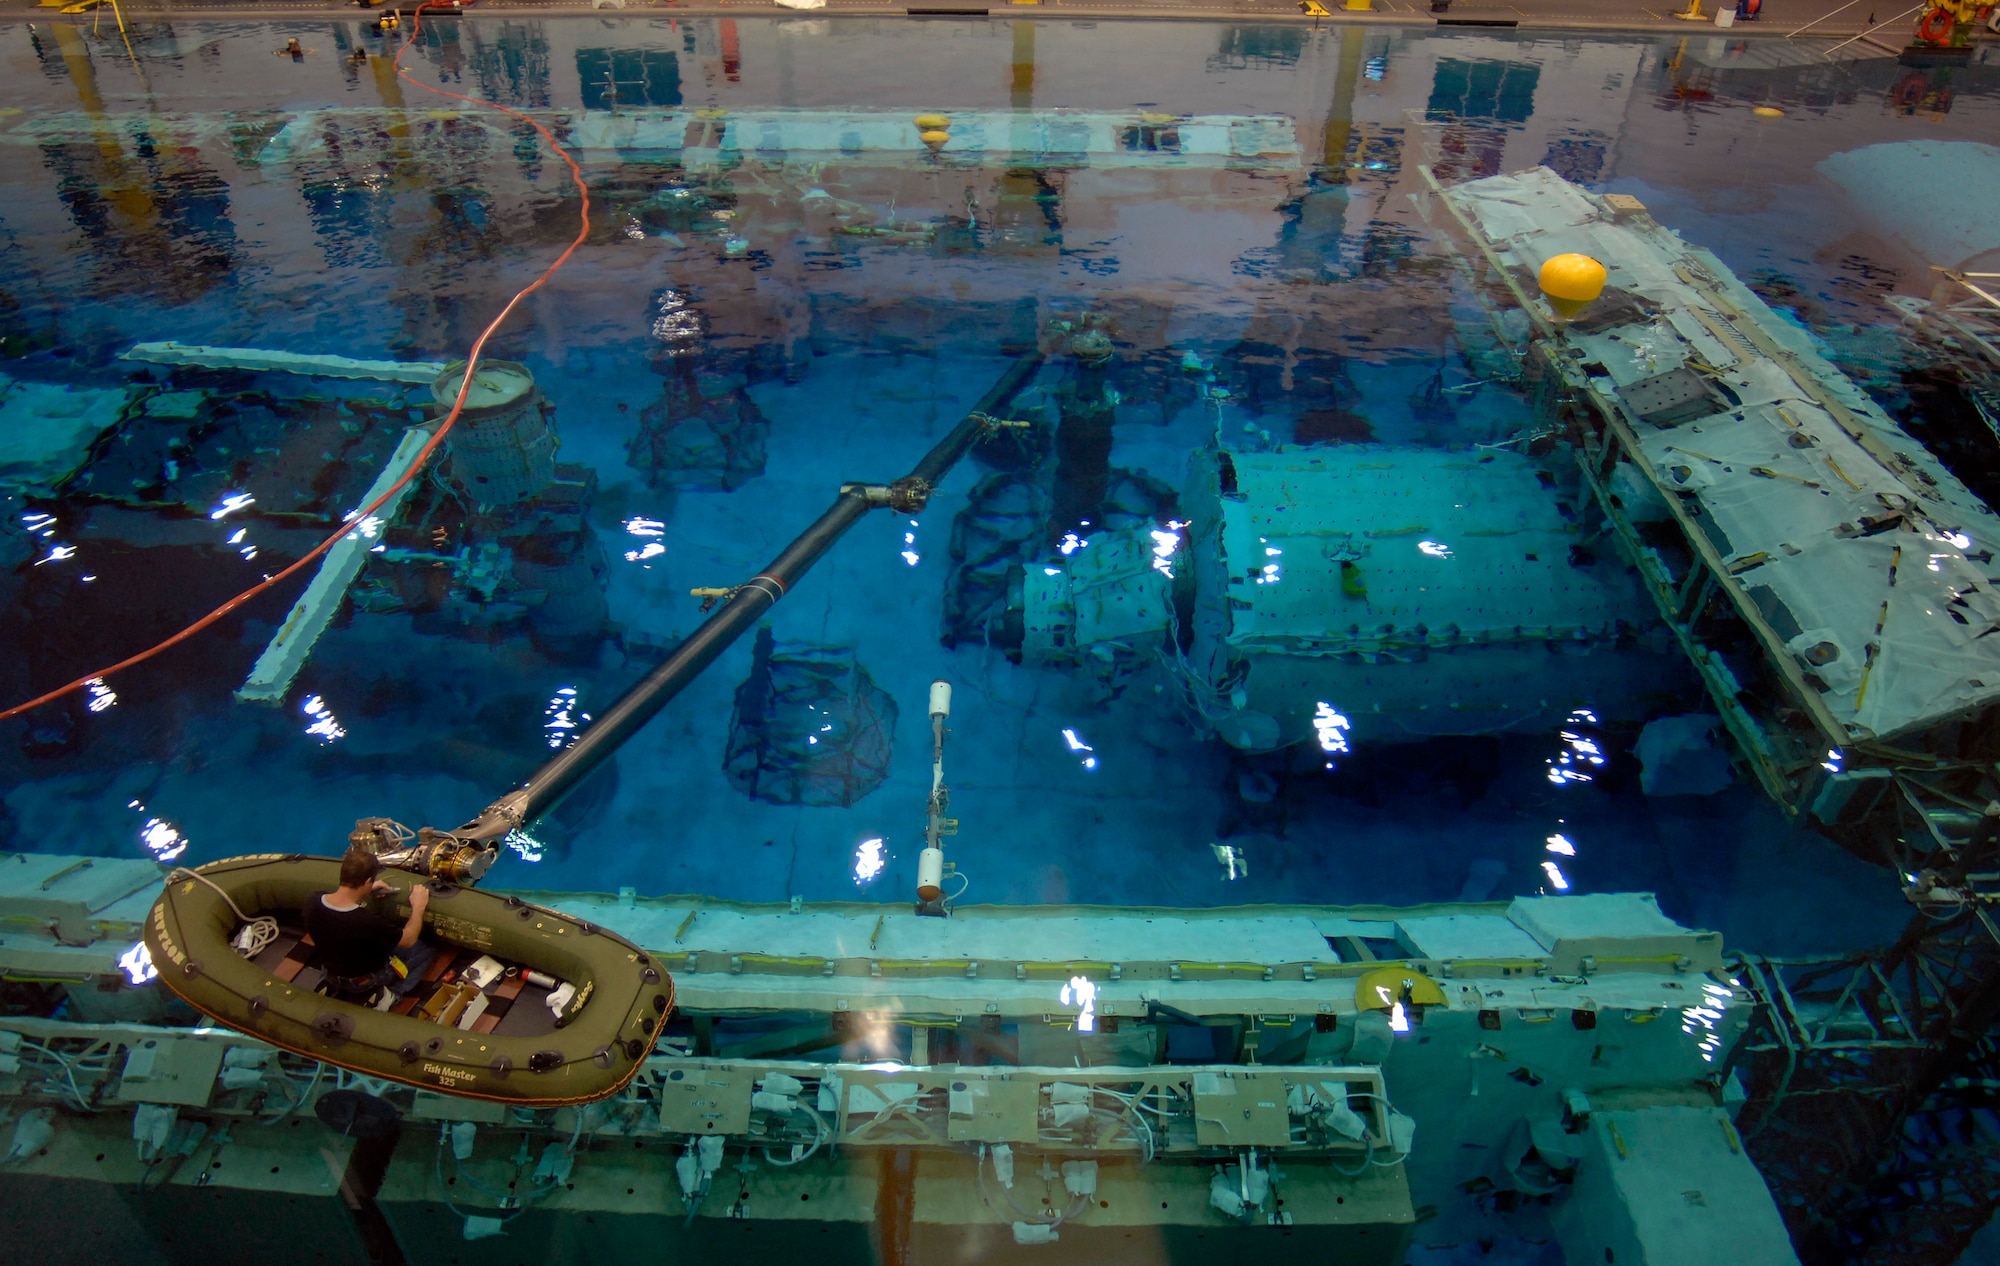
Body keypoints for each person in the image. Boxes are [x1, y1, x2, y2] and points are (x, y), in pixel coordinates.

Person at [303, 849, 435, 1000]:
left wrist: (365, 891)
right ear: (366, 881)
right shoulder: (366, 921)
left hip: (331, 971)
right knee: (425, 950)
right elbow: (409, 939)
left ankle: (329, 985)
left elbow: (339, 911)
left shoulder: (312, 901)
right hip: (365, 980)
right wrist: (418, 907)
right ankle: (391, 996)